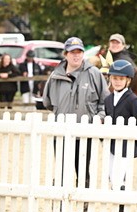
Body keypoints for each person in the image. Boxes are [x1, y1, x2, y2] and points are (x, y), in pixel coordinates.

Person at [43, 36, 105, 198]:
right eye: (72, 52)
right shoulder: (55, 75)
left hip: (84, 133)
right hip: (61, 132)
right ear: (65, 54)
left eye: (79, 52)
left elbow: (104, 101)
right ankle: (61, 205)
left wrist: (98, 116)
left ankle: (84, 206)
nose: (76, 55)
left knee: (83, 171)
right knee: (62, 170)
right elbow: (47, 101)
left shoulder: (94, 74)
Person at [102, 59, 137, 212]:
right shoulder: (108, 99)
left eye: (121, 78)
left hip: (126, 147)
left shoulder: (133, 100)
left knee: (121, 180)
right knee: (113, 179)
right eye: (114, 78)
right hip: (112, 146)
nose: (117, 81)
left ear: (128, 80)